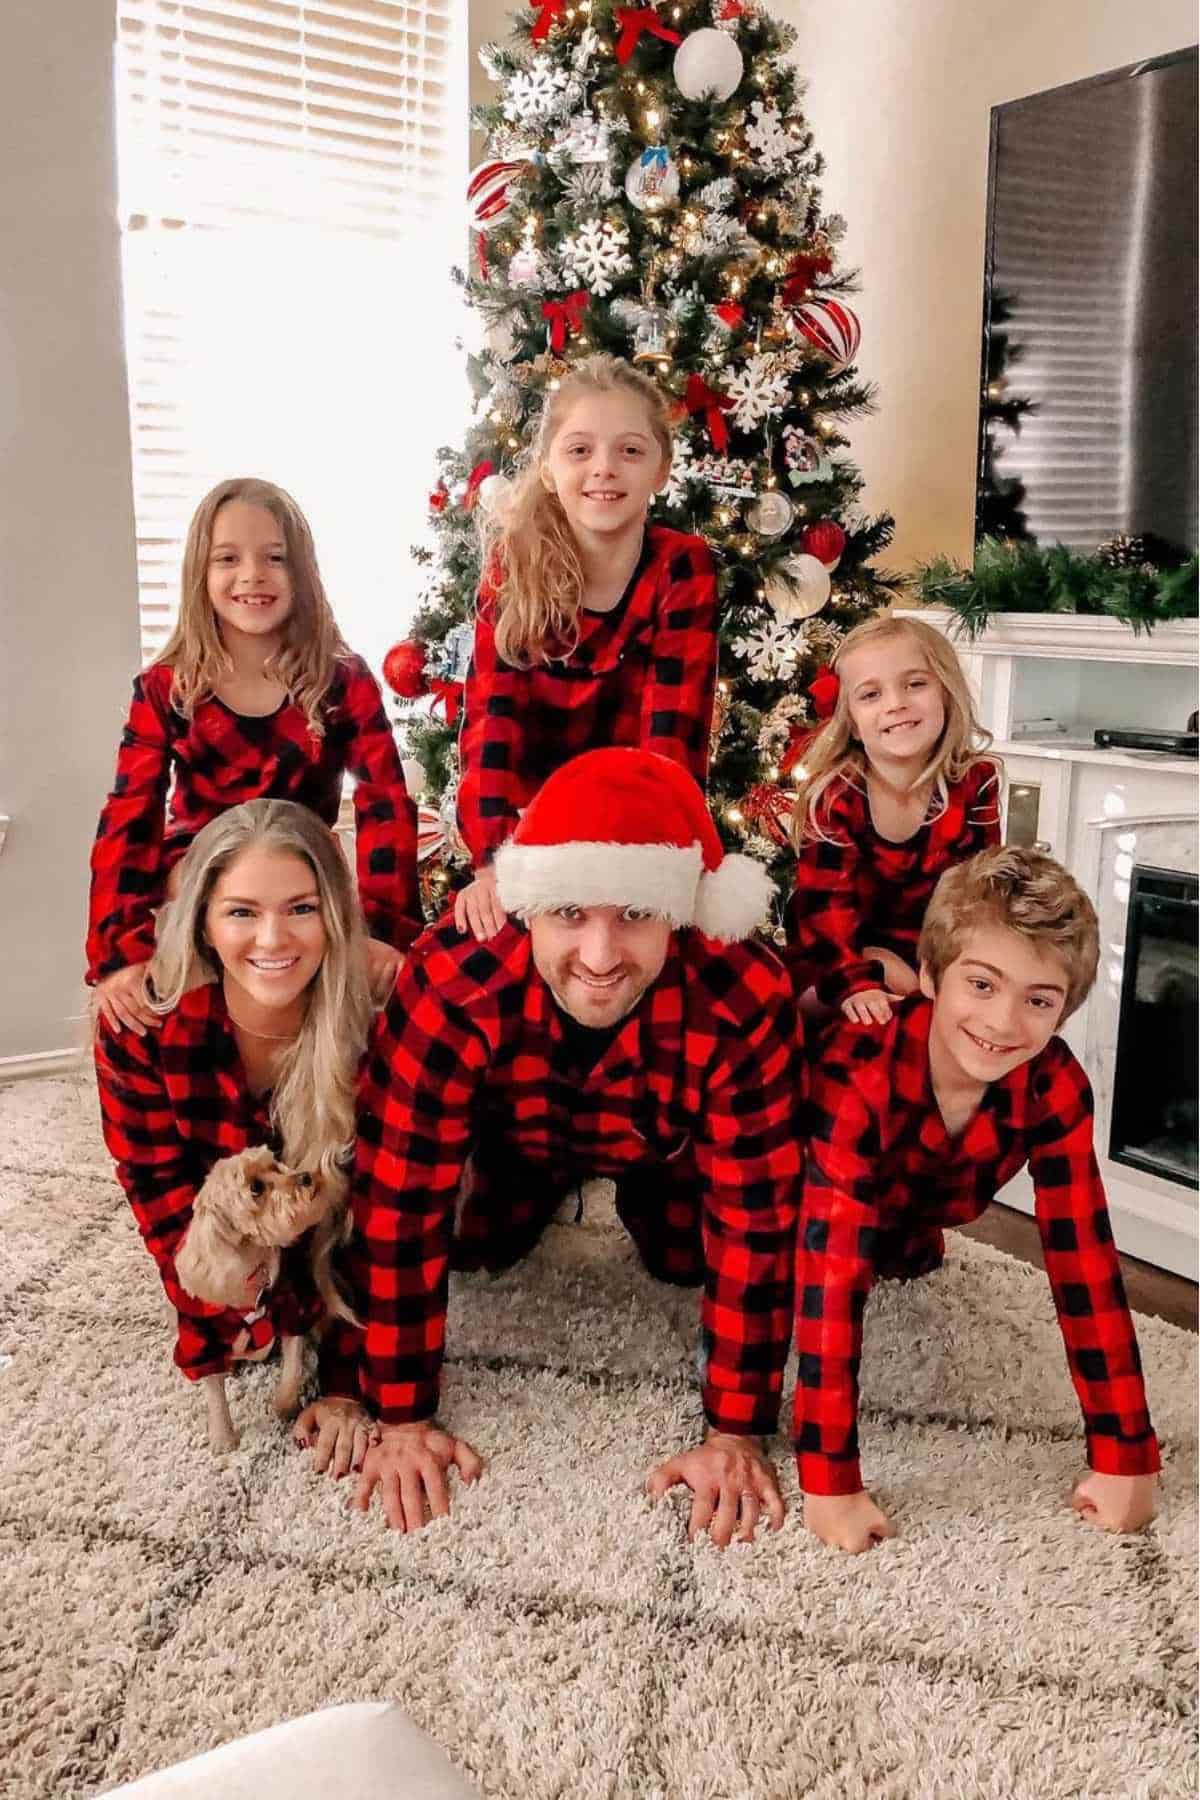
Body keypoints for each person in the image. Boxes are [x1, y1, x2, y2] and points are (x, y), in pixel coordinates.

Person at [343, 749, 804, 1545]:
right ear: (529, 907)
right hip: (516, 1139)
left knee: (683, 1258)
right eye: (570, 916)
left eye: (633, 914)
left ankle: (626, 1194)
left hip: (661, 1148)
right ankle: (538, 1191)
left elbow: (756, 1223)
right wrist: (402, 1414)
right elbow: (397, 1199)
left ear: (679, 912)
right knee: (473, 1247)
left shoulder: (744, 995)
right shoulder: (454, 983)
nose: (598, 957)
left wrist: (735, 1433)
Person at [793, 845, 1161, 1552]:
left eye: (1038, 1000)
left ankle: (906, 1236)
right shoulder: (859, 1074)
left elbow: (1084, 1262)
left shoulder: (1054, 1085)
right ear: (929, 975)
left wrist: (1125, 1450)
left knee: (906, 1256)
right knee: (802, 1272)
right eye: (982, 985)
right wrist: (830, 1480)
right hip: (805, 1198)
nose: (1002, 1023)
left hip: (916, 1203)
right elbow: (831, 1282)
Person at [94, 798, 377, 1470]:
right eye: (242, 911)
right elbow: (154, 1181)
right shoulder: (142, 1030)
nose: (273, 940)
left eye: (301, 908)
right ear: (203, 924)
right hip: (227, 1255)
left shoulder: (376, 1029)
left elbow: (384, 1216)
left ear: (334, 917)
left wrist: (346, 1382)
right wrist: (219, 1299)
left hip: (331, 1252)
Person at [87, 477, 420, 1035]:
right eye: (228, 558)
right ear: (201, 573)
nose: (252, 575)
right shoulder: (166, 686)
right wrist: (117, 949)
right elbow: (129, 813)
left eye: (274, 558)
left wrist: (383, 929)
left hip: (302, 866)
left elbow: (385, 802)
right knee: (166, 1011)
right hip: (201, 874)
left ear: (302, 573)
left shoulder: (342, 679)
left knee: (349, 1008)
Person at [454, 356, 718, 942]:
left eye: (629, 451)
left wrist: (651, 864)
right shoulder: (512, 566)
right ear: (548, 470)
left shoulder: (681, 566)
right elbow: (491, 726)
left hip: (636, 835)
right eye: (579, 451)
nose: (604, 468)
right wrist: (495, 862)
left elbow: (672, 744)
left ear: (660, 471)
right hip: (528, 841)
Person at [787, 613, 1001, 1025]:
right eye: (870, 695)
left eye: (915, 684)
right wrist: (857, 978)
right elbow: (823, 909)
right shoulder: (837, 796)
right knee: (826, 1000)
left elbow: (980, 893)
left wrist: (946, 971)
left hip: (930, 954)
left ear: (946, 691)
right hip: (837, 953)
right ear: (849, 719)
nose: (895, 704)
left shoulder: (975, 781)